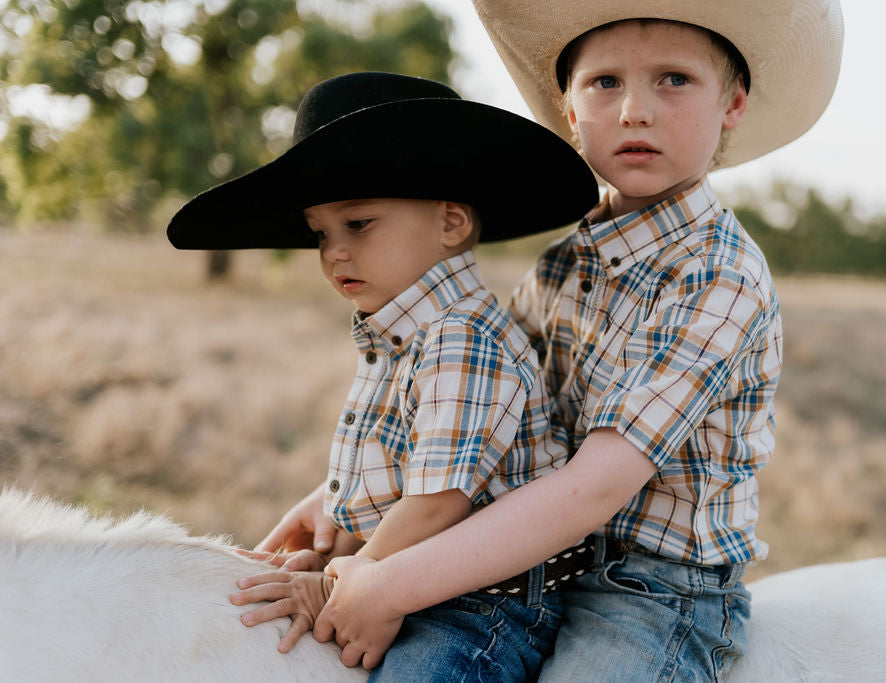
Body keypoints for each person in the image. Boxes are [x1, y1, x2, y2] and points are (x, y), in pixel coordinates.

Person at [252, 1, 844, 679]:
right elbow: (480, 417)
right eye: (604, 83)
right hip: (534, 560)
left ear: (732, 105)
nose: (634, 111)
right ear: (568, 112)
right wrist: (339, 502)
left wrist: (385, 584)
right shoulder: (561, 267)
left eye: (674, 79)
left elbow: (594, 489)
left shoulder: (719, 276)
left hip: (653, 587)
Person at [166, 71, 599, 680]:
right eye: (320, 233)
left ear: (451, 223)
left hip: (482, 603)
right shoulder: (398, 335)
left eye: (358, 224)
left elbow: (437, 502)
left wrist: (346, 583)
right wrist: (332, 553)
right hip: (399, 570)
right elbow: (388, 475)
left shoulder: (463, 336)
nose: (333, 252)